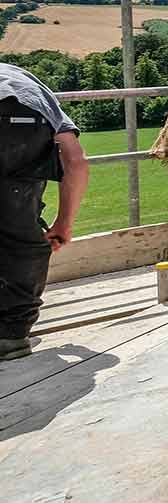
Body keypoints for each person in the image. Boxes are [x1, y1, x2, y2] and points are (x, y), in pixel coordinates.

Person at [1, 63, 88, 360]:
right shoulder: (28, 84)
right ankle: (12, 334)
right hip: (26, 123)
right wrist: (64, 223)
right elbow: (74, 158)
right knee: (19, 224)